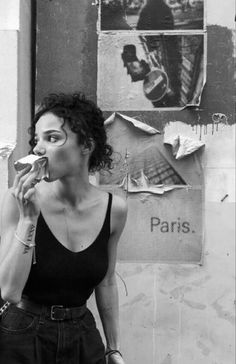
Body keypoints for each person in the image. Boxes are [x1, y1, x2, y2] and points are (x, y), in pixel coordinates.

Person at [0, 93, 128, 364]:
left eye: (53, 138)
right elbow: (9, 291)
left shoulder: (114, 209)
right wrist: (28, 219)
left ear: (86, 145)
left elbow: (106, 280)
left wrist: (113, 348)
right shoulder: (18, 200)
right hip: (22, 335)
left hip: (82, 334)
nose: (37, 149)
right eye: (37, 140)